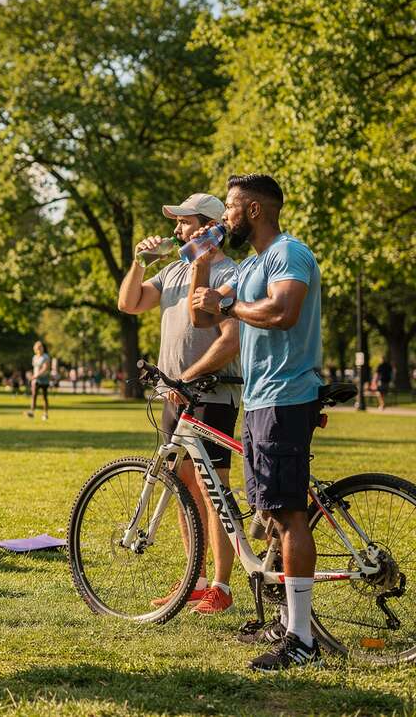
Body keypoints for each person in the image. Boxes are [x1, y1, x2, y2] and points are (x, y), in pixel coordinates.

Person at [191, 174, 324, 671]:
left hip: (286, 396)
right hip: (260, 399)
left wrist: (227, 304)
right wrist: (202, 270)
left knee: (288, 514)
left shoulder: (288, 253)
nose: (224, 216)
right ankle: (285, 621)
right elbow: (205, 319)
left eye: (230, 207)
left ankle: (302, 639)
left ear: (253, 211)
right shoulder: (247, 266)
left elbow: (284, 311)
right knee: (269, 513)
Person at [118, 191, 242, 615]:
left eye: (184, 222)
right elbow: (129, 303)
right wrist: (140, 261)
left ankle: (221, 587)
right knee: (182, 488)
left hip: (212, 395)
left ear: (208, 226)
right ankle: (196, 578)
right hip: (173, 396)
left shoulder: (230, 273)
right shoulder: (172, 272)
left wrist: (190, 379)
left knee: (213, 492)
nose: (176, 229)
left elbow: (231, 340)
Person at [25, 341, 53, 419]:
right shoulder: (34, 357)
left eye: (41, 347)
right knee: (34, 395)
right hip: (36, 380)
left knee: (44, 396)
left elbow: (45, 368)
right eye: (38, 348)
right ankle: (32, 412)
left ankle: (45, 413)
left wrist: (37, 375)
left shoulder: (45, 357)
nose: (40, 349)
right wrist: (32, 376)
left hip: (44, 379)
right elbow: (35, 368)